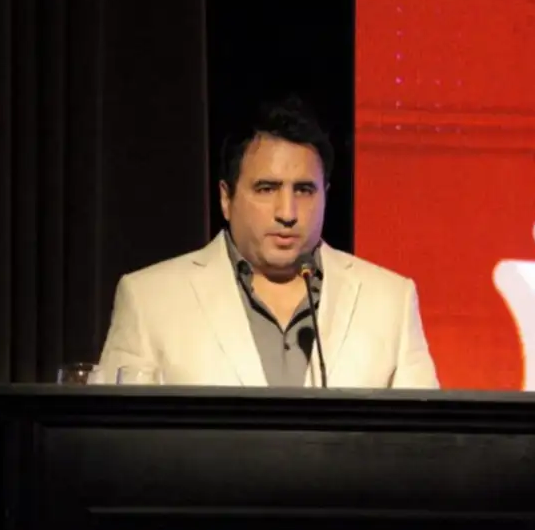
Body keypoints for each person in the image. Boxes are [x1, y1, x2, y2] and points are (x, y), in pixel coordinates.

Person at [98, 96, 440, 389]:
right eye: (266, 189)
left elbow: (424, 439)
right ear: (226, 198)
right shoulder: (150, 300)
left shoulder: (390, 301)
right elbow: (115, 437)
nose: (287, 213)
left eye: (303, 190)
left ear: (326, 195)